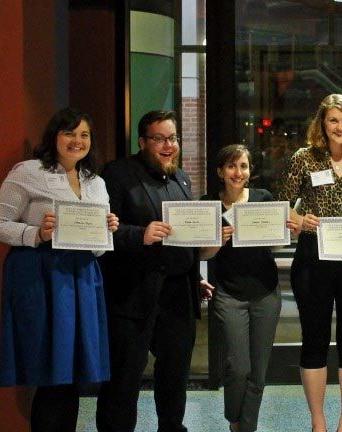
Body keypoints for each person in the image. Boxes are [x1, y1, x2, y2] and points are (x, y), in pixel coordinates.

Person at [0, 108, 119, 431]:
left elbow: (99, 248)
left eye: (84, 135)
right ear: (54, 137)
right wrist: (37, 233)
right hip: (42, 277)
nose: (77, 141)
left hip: (83, 278)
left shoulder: (96, 182)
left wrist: (107, 231)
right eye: (69, 133)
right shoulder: (28, 172)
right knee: (51, 374)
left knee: (73, 374)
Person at [95, 110, 213, 432]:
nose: (168, 145)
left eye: (172, 138)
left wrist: (195, 276)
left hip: (177, 293)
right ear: (142, 142)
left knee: (175, 375)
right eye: (159, 139)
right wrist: (140, 234)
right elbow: (101, 231)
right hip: (133, 293)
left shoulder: (181, 179)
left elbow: (183, 238)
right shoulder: (117, 174)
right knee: (124, 377)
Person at [277, 94, 342, 432]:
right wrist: (299, 220)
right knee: (314, 338)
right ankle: (318, 422)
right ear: (322, 124)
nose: (340, 127)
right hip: (313, 259)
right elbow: (280, 206)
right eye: (334, 120)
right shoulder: (304, 158)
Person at [200, 144, 298, 432]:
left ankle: (246, 427)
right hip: (229, 294)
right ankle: (234, 419)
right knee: (238, 366)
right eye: (231, 166)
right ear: (220, 171)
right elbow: (203, 254)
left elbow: (274, 246)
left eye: (243, 166)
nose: (237, 172)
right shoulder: (209, 204)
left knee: (258, 371)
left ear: (250, 170)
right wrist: (218, 239)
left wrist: (287, 234)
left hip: (265, 292)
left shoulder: (262, 198)